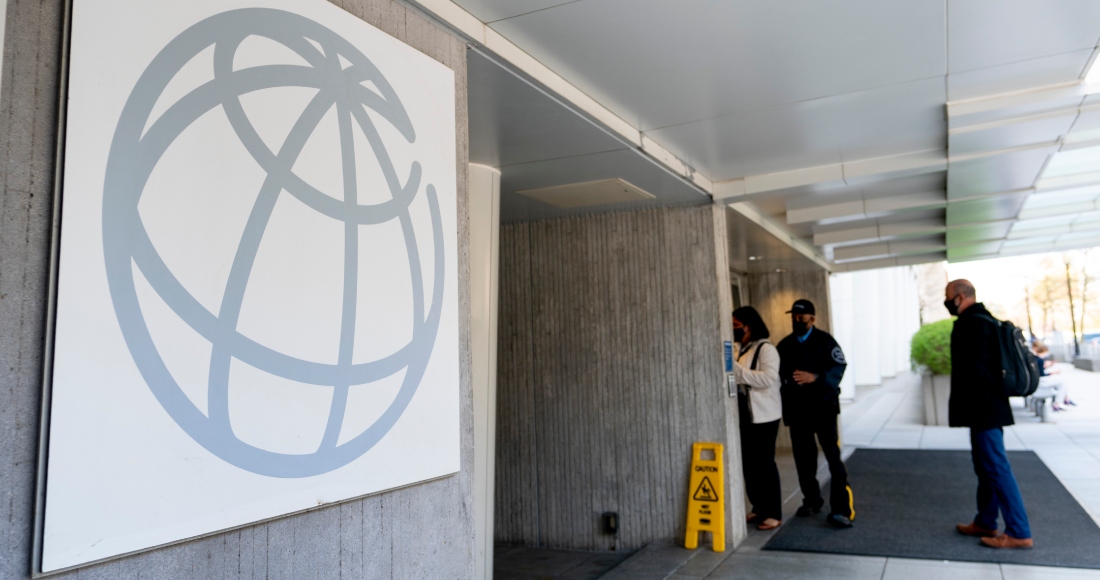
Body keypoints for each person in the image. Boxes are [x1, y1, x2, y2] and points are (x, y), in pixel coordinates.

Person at [945, 279, 1034, 549]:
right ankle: (985, 520)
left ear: (960, 297)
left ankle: (1019, 532)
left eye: (948, 296)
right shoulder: (986, 320)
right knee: (985, 467)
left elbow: (977, 371)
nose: (946, 301)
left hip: (983, 409)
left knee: (996, 467)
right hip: (986, 408)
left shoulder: (974, 323)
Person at [776, 299, 855, 529]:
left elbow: (838, 367)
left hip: (824, 409)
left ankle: (841, 509)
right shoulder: (785, 345)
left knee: (832, 456)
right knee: (803, 458)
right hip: (798, 412)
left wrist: (816, 377)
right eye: (793, 318)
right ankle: (811, 500)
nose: (796, 321)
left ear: (812, 319)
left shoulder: (825, 341)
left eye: (800, 318)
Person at [732, 306, 783, 531]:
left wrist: (738, 372)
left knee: (765, 464)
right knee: (749, 465)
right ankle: (759, 506)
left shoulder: (766, 349)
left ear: (748, 325)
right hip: (745, 414)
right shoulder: (740, 348)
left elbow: (769, 379)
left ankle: (773, 512)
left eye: (736, 326)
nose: (733, 330)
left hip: (765, 415)